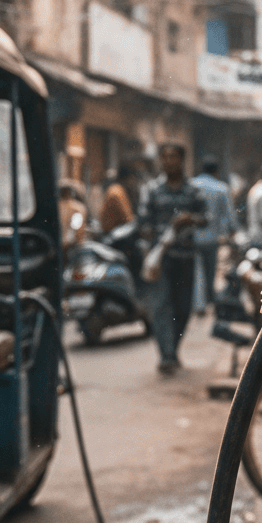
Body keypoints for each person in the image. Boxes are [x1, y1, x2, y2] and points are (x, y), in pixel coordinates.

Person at [137, 143, 207, 374]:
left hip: (185, 256)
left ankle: (173, 350)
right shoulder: (153, 190)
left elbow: (206, 218)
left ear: (182, 160)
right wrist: (149, 244)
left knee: (183, 308)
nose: (169, 162)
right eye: (165, 157)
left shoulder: (194, 190)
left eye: (173, 157)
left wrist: (191, 219)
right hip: (161, 259)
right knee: (160, 306)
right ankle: (166, 354)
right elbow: (143, 222)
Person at [190, 156, 237, 313]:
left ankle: (198, 302)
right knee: (210, 270)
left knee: (197, 271)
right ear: (216, 171)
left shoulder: (192, 185)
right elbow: (229, 215)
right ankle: (209, 299)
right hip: (212, 237)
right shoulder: (221, 188)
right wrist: (232, 231)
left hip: (193, 236)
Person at [98, 164, 135, 234]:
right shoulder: (117, 192)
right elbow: (127, 218)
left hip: (111, 230)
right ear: (128, 178)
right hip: (111, 232)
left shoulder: (115, 189)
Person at [58, 179, 88, 250]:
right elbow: (78, 230)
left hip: (58, 243)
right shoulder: (77, 208)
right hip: (71, 246)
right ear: (71, 193)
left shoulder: (55, 207)